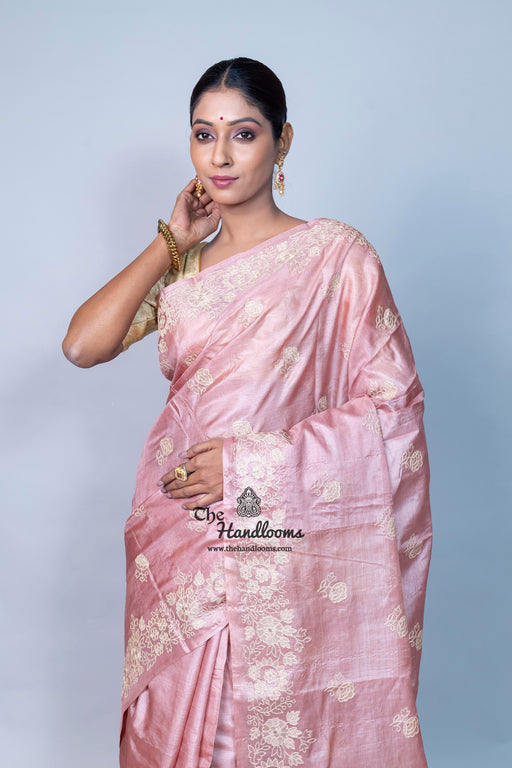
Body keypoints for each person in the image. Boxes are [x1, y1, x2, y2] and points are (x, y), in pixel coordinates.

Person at [63, 57, 432, 768]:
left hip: (275, 536)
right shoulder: (183, 269)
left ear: (282, 141)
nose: (221, 156)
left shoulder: (335, 256)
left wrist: (249, 465)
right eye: (204, 135)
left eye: (244, 134)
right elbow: (83, 345)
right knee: (173, 734)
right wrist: (171, 241)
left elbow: (394, 410)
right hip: (179, 537)